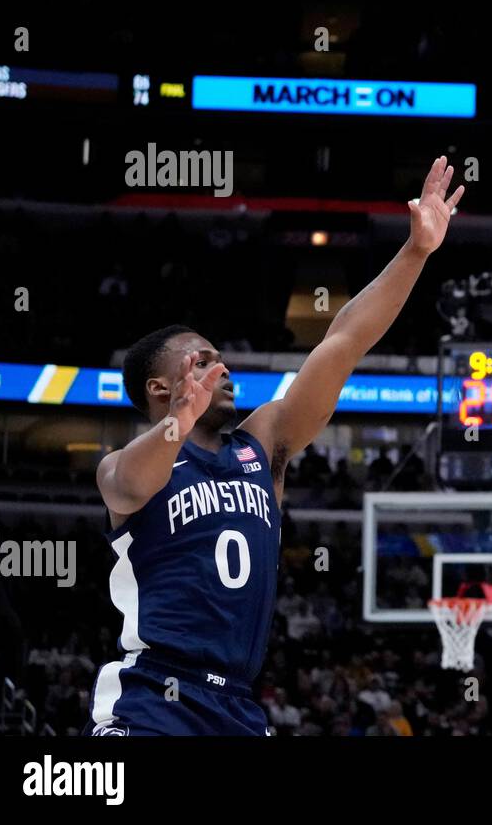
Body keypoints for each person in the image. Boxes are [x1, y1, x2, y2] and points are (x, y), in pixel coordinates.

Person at [84, 156, 464, 736]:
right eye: (203, 361)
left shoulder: (264, 442)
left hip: (238, 705)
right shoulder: (128, 465)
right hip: (152, 698)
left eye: (221, 358)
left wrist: (415, 252)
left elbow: (343, 340)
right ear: (160, 388)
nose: (223, 369)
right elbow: (130, 484)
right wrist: (177, 425)